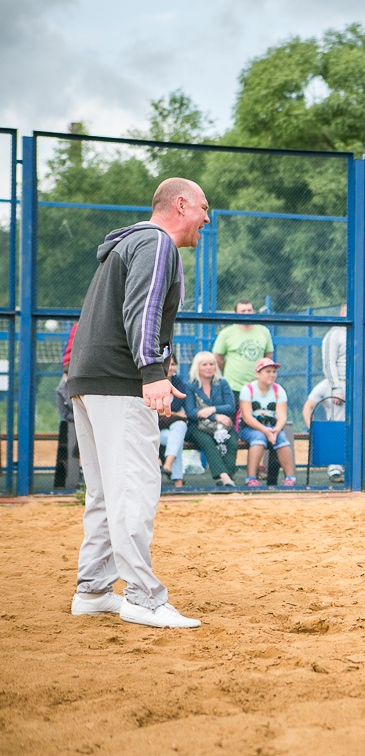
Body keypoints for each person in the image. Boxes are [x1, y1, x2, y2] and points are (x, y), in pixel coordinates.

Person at [67, 177, 208, 629]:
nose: (207, 218)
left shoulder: (128, 244)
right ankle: (146, 599)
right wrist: (151, 373)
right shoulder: (157, 243)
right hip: (119, 382)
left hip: (90, 382)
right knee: (134, 490)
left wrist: (160, 369)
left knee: (106, 494)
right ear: (181, 204)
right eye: (204, 208)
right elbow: (142, 309)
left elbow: (130, 312)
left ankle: (93, 590)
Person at [322, 302, 365, 425]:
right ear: (341, 314)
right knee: (342, 425)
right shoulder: (333, 334)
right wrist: (336, 388)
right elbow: (329, 364)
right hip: (344, 386)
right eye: (348, 311)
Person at [238, 358, 297, 487]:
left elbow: (282, 416)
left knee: (282, 439)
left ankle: (290, 478)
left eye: (274, 372)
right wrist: (265, 430)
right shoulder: (248, 389)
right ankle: (251, 478)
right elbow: (247, 417)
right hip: (250, 428)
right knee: (259, 438)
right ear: (258, 374)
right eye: (267, 371)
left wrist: (276, 430)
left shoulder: (278, 390)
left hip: (271, 427)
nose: (272, 374)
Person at [184, 350, 238, 487]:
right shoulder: (190, 386)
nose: (209, 367)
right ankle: (225, 477)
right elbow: (191, 412)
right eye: (204, 364)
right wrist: (215, 415)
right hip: (197, 427)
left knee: (232, 441)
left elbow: (231, 406)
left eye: (211, 364)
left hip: (221, 425)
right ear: (197, 367)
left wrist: (212, 409)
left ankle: (225, 477)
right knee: (208, 442)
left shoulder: (222, 384)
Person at [212, 299, 273, 395]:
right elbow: (217, 357)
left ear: (254, 312)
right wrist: (228, 369)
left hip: (257, 387)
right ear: (236, 313)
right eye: (243, 311)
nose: (247, 313)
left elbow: (268, 355)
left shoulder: (264, 331)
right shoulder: (226, 333)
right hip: (234, 388)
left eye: (249, 310)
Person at [301, 378, 346, 482]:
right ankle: (335, 470)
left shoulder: (357, 382)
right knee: (334, 433)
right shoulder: (325, 385)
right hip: (334, 429)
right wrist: (312, 428)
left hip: (356, 428)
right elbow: (308, 407)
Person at [158, 355, 189, 489]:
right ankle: (178, 481)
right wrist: (175, 415)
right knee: (177, 439)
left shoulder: (178, 383)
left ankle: (167, 465)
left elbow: (178, 407)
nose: (170, 368)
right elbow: (155, 413)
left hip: (170, 430)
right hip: (155, 431)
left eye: (173, 364)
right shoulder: (154, 384)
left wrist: (165, 414)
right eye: (167, 364)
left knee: (180, 427)